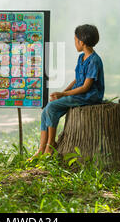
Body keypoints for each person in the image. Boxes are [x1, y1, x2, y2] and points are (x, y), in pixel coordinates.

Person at [29, 24, 105, 160]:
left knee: (52, 107)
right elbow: (77, 80)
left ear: (81, 42)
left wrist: (63, 95)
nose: (75, 43)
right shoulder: (81, 58)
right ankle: (41, 147)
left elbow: (86, 87)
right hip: (79, 94)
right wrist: (63, 92)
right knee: (46, 109)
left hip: (89, 96)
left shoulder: (94, 60)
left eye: (75, 40)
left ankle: (50, 145)